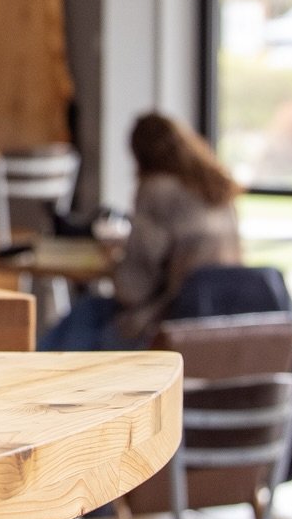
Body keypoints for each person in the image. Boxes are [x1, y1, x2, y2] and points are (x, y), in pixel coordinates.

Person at [39, 112, 241, 352]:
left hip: (170, 323)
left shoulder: (156, 190)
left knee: (86, 312)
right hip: (223, 321)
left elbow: (132, 289)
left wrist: (115, 259)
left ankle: (37, 369)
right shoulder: (217, 189)